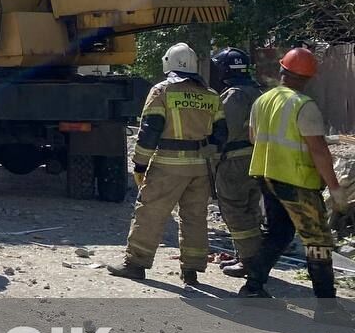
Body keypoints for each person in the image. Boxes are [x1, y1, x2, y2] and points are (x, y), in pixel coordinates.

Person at [108, 42, 226, 286]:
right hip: (200, 168)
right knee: (194, 217)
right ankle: (191, 270)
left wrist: (139, 164)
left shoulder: (162, 91)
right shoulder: (211, 96)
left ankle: (136, 264)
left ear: (168, 63)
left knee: (150, 213)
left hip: (167, 166)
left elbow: (150, 131)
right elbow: (221, 135)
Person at [239, 47, 350, 299]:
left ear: (282, 70)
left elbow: (253, 137)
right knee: (318, 239)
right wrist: (334, 187)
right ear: (309, 78)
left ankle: (252, 286)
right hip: (297, 181)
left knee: (279, 232)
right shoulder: (304, 106)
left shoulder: (262, 100)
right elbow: (318, 151)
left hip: (267, 177)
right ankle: (326, 303)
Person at [209, 47, 265, 277]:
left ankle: (249, 263)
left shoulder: (234, 95)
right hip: (257, 159)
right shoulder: (258, 92)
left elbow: (225, 131)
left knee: (235, 210)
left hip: (235, 161)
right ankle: (249, 256)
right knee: (251, 209)